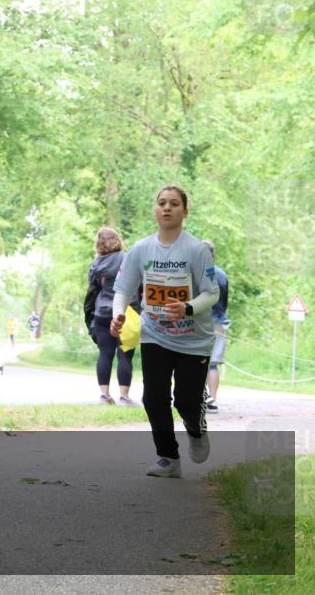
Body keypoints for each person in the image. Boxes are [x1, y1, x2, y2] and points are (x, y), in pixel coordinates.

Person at [110, 186, 219, 478]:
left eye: (174, 204)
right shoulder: (141, 249)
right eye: (161, 203)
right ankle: (168, 457)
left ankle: (196, 430)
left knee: (185, 400)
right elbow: (122, 289)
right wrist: (118, 314)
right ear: (155, 210)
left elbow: (211, 293)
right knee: (154, 397)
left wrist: (188, 308)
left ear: (185, 211)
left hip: (194, 339)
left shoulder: (196, 250)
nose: (167, 208)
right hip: (155, 334)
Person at [84, 227, 136, 406]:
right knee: (125, 354)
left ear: (99, 244)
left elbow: (92, 290)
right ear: (117, 240)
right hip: (123, 313)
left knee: (105, 354)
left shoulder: (96, 264)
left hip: (101, 313)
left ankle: (104, 396)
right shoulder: (126, 258)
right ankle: (124, 397)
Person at [200, 240, 229, 413]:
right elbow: (224, 302)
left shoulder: (195, 273)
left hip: (199, 323)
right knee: (213, 364)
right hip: (218, 322)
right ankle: (212, 400)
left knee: (197, 361)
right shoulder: (221, 274)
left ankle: (200, 397)